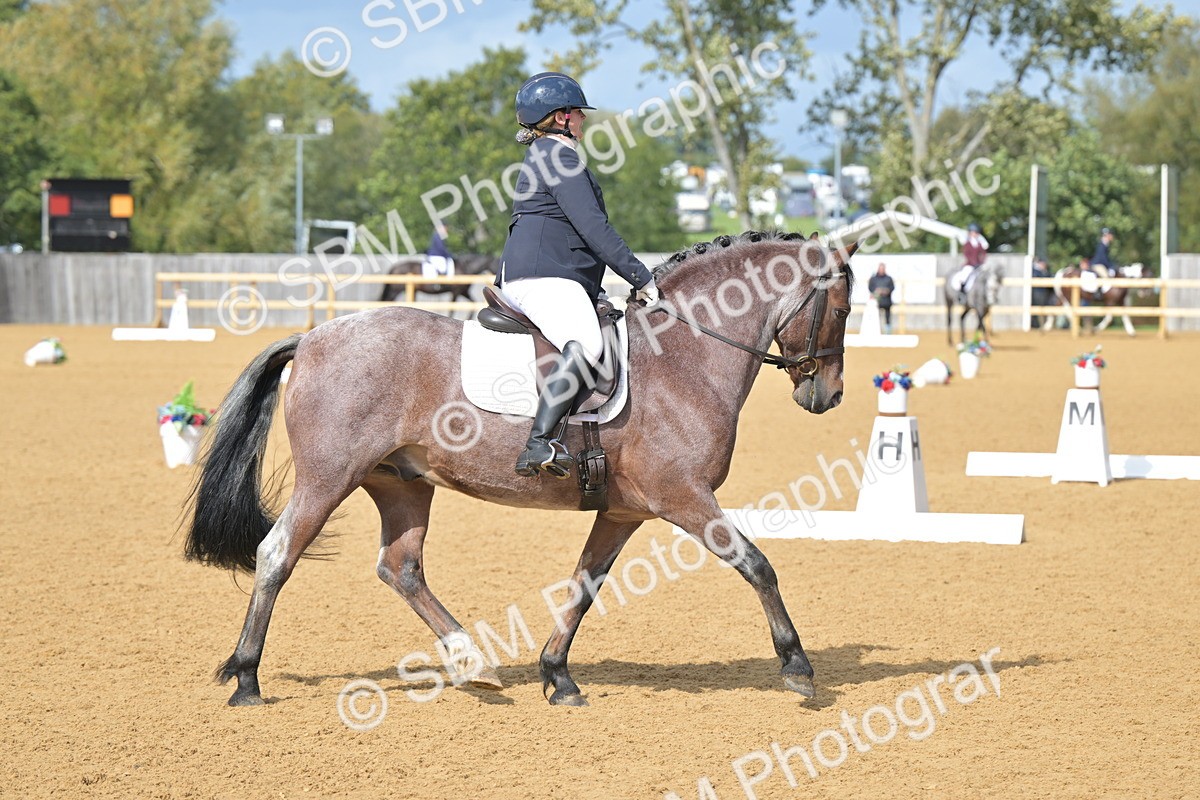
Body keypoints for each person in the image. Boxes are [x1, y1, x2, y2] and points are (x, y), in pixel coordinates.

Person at [500, 72, 659, 478]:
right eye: (580, 115)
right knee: (586, 341)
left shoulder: (546, 156)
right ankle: (538, 443)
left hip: (545, 273)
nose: (585, 122)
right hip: (542, 276)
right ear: (561, 118)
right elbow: (594, 229)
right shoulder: (558, 157)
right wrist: (642, 278)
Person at [952, 222, 989, 303]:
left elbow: (983, 254)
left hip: (979, 265)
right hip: (969, 265)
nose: (975, 234)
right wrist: (973, 263)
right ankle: (962, 294)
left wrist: (982, 262)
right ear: (970, 233)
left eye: (976, 233)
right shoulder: (967, 244)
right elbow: (967, 255)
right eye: (974, 232)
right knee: (964, 277)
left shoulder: (980, 244)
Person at [868, 262, 895, 333]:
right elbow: (870, 287)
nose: (881, 270)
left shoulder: (889, 278)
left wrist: (887, 291)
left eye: (883, 268)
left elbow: (892, 287)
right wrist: (876, 291)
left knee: (887, 317)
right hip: (877, 302)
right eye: (880, 268)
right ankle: (876, 331)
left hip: (886, 301)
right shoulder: (873, 279)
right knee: (876, 317)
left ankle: (888, 331)